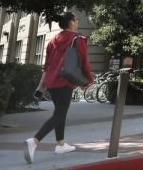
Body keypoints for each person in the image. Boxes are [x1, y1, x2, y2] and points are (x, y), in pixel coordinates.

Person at [24, 12, 93, 164]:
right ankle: (34, 141)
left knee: (60, 112)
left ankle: (61, 144)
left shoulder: (53, 39)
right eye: (76, 19)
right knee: (59, 114)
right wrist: (88, 80)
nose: (78, 21)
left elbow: (47, 65)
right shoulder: (78, 39)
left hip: (51, 82)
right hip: (65, 81)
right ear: (71, 22)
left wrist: (41, 86)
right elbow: (85, 62)